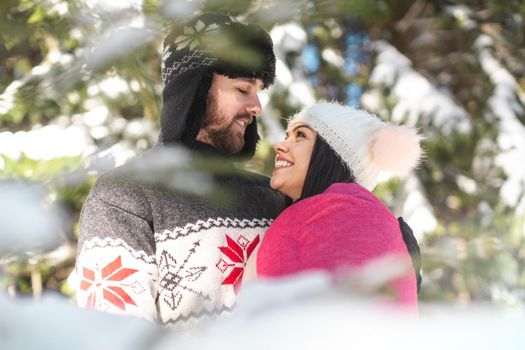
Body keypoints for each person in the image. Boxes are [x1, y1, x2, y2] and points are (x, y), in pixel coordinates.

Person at [75, 13, 287, 329]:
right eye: (243, 89)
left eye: (258, 91)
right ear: (196, 92)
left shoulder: (273, 199)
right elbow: (113, 337)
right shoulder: (123, 196)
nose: (256, 106)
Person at [257, 102, 422, 307]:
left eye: (300, 135)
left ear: (331, 153)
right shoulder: (347, 213)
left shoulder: (347, 216)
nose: (280, 145)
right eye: (286, 135)